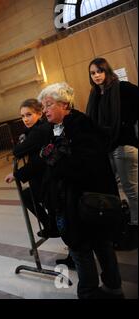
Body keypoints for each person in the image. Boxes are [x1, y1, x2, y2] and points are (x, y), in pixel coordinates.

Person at [38, 82, 123, 299]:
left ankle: (91, 292)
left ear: (65, 104)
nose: (45, 110)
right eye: (43, 106)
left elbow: (84, 165)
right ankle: (110, 288)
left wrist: (55, 161)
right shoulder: (56, 128)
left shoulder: (80, 125)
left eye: (48, 105)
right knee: (94, 244)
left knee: (83, 247)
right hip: (73, 200)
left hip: (85, 201)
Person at [86, 57, 138, 248]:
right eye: (93, 73)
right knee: (111, 191)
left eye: (100, 71)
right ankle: (123, 226)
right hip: (106, 148)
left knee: (132, 191)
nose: (97, 75)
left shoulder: (121, 87)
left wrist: (125, 123)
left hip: (123, 146)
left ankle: (136, 228)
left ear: (107, 71)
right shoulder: (95, 95)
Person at [4, 98, 58, 238]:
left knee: (36, 199)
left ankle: (51, 226)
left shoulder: (39, 131)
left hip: (47, 178)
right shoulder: (38, 128)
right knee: (52, 208)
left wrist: (17, 173)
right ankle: (52, 226)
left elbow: (17, 151)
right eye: (22, 116)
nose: (25, 119)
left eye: (29, 115)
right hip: (45, 176)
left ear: (39, 114)